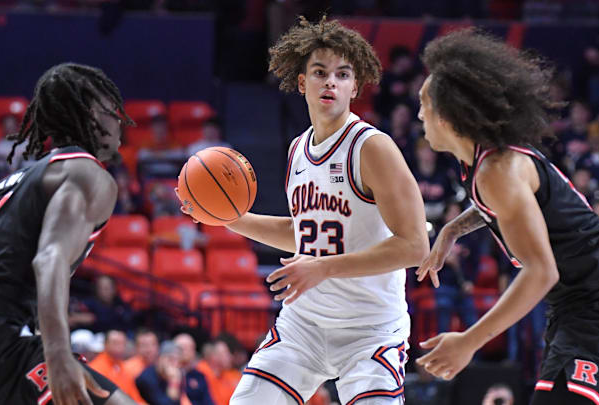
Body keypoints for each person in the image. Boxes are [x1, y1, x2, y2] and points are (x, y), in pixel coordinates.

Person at [180, 16, 429, 405]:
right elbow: (307, 231)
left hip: (370, 330)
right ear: (302, 82)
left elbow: (415, 246)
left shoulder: (372, 148)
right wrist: (230, 219)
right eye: (320, 72)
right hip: (304, 325)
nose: (330, 81)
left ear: (354, 86)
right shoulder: (298, 149)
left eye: (342, 73)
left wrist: (324, 267)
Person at [414, 29, 599, 405]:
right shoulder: (489, 162)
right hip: (578, 300)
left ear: (446, 115)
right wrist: (452, 230)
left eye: (423, 104)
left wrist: (469, 342)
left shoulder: (498, 170)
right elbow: (503, 207)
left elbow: (542, 271)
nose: (418, 114)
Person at [0, 62, 139, 405]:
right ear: (90, 114)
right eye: (111, 109)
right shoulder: (86, 173)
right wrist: (58, 355)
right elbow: (49, 259)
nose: (119, 119)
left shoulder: (7, 185)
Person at [90, 330, 146, 403]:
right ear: (105, 344)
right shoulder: (96, 368)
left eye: (122, 343)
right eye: (115, 343)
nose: (119, 346)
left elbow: (135, 397)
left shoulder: (123, 367)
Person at [135, 341, 185, 405]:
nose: (175, 364)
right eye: (171, 359)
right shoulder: (147, 377)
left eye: (178, 360)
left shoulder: (178, 374)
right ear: (159, 358)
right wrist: (174, 381)